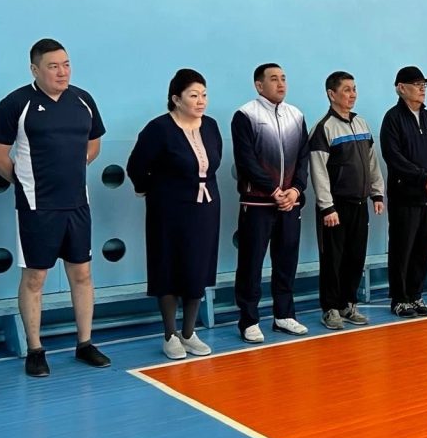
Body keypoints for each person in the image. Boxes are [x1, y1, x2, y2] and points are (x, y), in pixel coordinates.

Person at [0, 38, 111, 377]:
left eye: (66, 64)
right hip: (36, 206)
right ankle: (35, 349)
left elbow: (94, 142)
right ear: (35, 69)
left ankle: (85, 344)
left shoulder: (83, 100)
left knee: (82, 274)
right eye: (53, 66)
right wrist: (27, 183)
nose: (62, 72)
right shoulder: (16, 103)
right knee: (35, 277)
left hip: (77, 203)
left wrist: (73, 168)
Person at [127, 69, 221, 359]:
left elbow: (213, 163)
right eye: (194, 95)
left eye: (204, 95)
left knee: (197, 267)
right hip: (168, 210)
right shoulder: (159, 129)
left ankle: (189, 333)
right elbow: (136, 166)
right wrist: (149, 190)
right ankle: (170, 335)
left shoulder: (211, 126)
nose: (201, 101)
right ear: (176, 99)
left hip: (205, 208)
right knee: (167, 266)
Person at [231, 63, 311, 343]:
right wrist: (273, 190)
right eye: (274, 79)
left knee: (286, 260)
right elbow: (246, 160)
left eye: (283, 78)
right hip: (257, 205)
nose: (281, 84)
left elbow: (303, 158)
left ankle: (284, 315)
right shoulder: (245, 115)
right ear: (259, 85)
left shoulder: (296, 115)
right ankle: (249, 320)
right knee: (251, 263)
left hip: (290, 204)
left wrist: (296, 190)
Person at [308, 71, 385, 331]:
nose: (352, 94)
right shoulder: (323, 128)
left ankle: (348, 304)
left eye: (354, 89)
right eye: (347, 90)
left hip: (360, 204)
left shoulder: (361, 124)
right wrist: (327, 207)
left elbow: (372, 162)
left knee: (355, 256)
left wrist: (376, 193)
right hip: (335, 208)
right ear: (332, 94)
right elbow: (318, 171)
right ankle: (330, 308)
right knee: (333, 258)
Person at [380, 66, 427, 318]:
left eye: (424, 85)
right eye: (417, 84)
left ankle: (415, 294)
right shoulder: (393, 119)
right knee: (403, 248)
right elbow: (394, 157)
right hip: (405, 196)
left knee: (423, 247)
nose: (422, 89)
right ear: (401, 88)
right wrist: (423, 178)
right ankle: (400, 299)